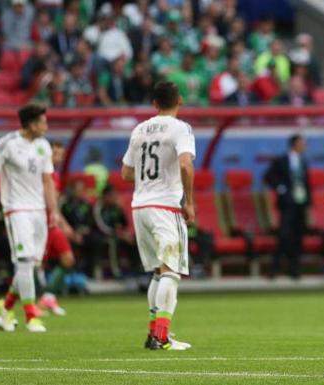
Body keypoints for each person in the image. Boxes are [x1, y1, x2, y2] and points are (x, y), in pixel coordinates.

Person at [121, 81, 195, 350]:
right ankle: (161, 336)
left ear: (154, 104)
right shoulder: (181, 128)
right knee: (170, 272)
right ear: (180, 100)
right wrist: (189, 201)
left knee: (157, 272)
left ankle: (155, 333)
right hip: (165, 207)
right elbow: (186, 165)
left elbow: (126, 173)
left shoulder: (139, 129)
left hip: (140, 207)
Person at [0, 104, 59, 332]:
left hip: (38, 211)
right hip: (16, 209)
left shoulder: (43, 146)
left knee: (32, 265)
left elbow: (48, 180)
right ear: (31, 124)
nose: (46, 127)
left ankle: (6, 306)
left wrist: (53, 210)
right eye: (43, 122)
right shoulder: (7, 144)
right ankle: (31, 316)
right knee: (25, 262)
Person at [264, 134, 311, 279]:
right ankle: (275, 267)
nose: (304, 146)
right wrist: (280, 188)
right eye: (302, 143)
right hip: (287, 204)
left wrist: (309, 204)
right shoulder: (281, 161)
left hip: (300, 203)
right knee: (284, 235)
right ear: (294, 144)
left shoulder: (303, 161)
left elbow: (306, 184)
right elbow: (268, 177)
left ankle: (294, 269)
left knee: (298, 237)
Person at [38, 141, 75, 316]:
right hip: (40, 225)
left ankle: (48, 296)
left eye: (61, 154)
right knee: (35, 264)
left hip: (52, 225)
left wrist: (63, 224)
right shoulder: (42, 175)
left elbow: (55, 206)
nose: (58, 158)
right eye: (55, 154)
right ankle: (24, 304)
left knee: (67, 259)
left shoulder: (55, 176)